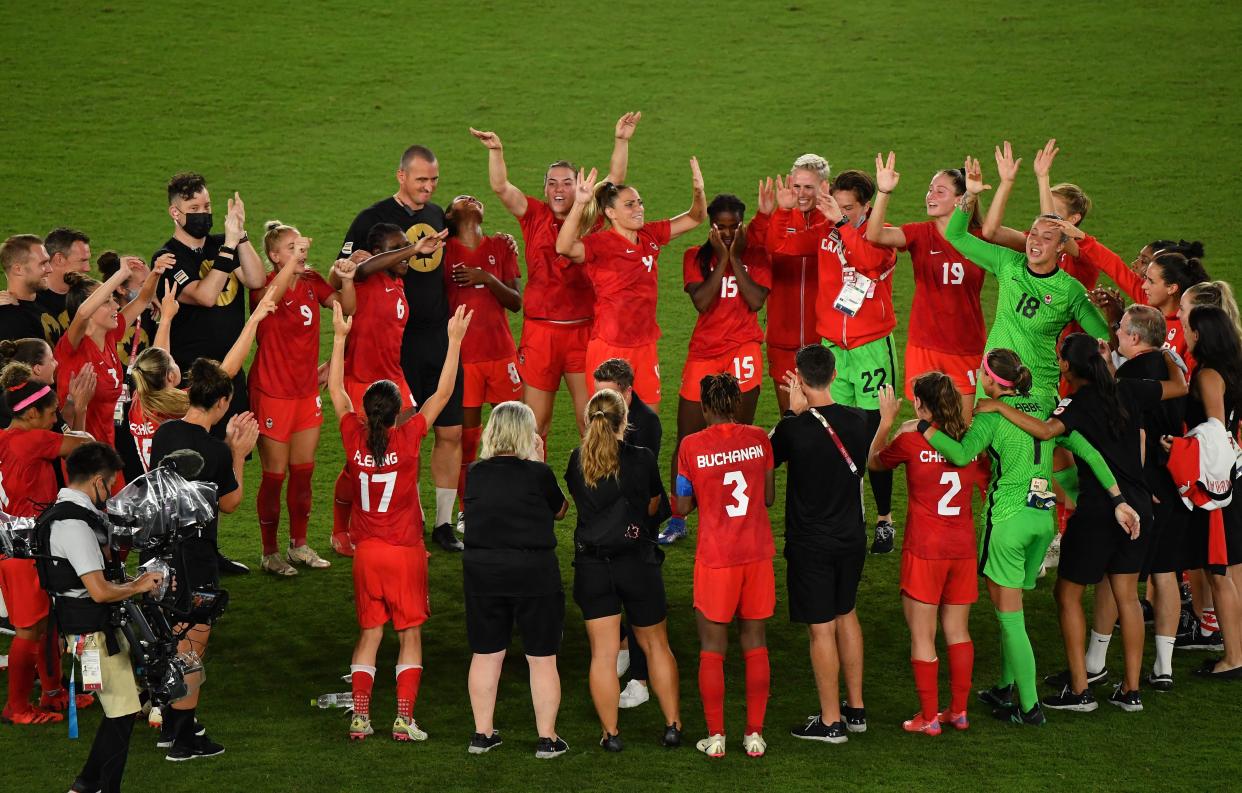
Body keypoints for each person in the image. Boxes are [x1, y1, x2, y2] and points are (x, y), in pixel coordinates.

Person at [920, 348, 1135, 726]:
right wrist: (1117, 498)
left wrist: (925, 428)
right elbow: (1087, 450)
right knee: (1013, 606)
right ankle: (1005, 686)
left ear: (991, 380)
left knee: (1009, 618)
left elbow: (961, 454)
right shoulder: (1046, 404)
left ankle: (1030, 707)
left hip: (1008, 523)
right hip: (1043, 522)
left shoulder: (989, 416)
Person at [978, 334, 1186, 712]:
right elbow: (1179, 386)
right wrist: (1167, 354)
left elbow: (1043, 432)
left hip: (1098, 509)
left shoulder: (1074, 403)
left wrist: (997, 406)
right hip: (1138, 503)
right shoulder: (1130, 389)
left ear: (1066, 367)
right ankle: (1131, 690)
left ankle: (1079, 690)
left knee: (1068, 595)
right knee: (1127, 597)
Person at [329, 301, 471, 742]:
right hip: (406, 552)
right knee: (410, 635)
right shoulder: (408, 438)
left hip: (367, 553)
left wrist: (338, 339)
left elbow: (335, 390)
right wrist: (454, 342)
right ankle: (404, 719)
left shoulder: (353, 436)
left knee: (369, 634)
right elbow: (442, 396)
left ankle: (360, 717)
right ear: (396, 414)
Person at [470, 113, 640, 441]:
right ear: (544, 189)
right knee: (535, 426)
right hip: (540, 335)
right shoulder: (533, 214)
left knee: (591, 424)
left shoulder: (590, 215)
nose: (559, 189)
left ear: (579, 187)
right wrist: (496, 151)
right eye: (552, 182)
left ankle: (594, 489)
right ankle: (535, 491)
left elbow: (616, 178)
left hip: (582, 333)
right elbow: (500, 187)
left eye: (566, 182)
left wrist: (621, 140)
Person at [337, 145, 466, 553]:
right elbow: (344, 273)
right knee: (390, 439)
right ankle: (393, 520)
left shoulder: (435, 214)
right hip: (395, 348)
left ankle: (442, 523)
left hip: (437, 336)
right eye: (421, 180)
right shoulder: (369, 220)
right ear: (401, 176)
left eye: (434, 181)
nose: (428, 188)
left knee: (450, 429)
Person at [768, 169, 901, 554]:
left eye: (848, 209)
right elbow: (784, 247)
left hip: (872, 348)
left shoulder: (883, 237)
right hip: (834, 350)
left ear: (867, 208)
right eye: (837, 206)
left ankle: (884, 518)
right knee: (837, 433)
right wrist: (784, 212)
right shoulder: (828, 233)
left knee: (875, 434)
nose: (839, 213)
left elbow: (866, 264)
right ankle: (853, 514)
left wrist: (842, 225)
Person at [149, 357, 260, 760]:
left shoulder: (164, 433)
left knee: (169, 640)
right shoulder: (214, 452)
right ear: (223, 402)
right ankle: (182, 742)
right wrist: (236, 452)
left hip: (158, 554)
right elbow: (230, 502)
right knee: (191, 647)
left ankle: (169, 722)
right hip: (194, 558)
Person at [39, 442, 164, 793]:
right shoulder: (73, 526)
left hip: (89, 629)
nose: (109, 493)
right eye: (108, 484)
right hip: (92, 631)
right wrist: (137, 585)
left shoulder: (65, 515)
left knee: (124, 707)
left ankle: (86, 784)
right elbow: (99, 591)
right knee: (122, 713)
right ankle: (100, 787)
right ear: (96, 480)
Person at [565, 388, 681, 752]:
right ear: (624, 420)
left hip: (593, 566)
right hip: (637, 563)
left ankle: (611, 734)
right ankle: (672, 725)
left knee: (602, 654)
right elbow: (654, 507)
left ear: (588, 420)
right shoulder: (642, 458)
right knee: (656, 646)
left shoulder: (575, 461)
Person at [945, 156, 1109, 411]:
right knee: (984, 448)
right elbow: (955, 235)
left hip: (1037, 388)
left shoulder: (1070, 288)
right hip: (991, 380)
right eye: (1033, 234)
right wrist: (970, 194)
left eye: (1046, 238)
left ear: (1061, 246)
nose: (1035, 242)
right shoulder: (1008, 263)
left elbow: (1104, 339)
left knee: (1029, 449)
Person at [868, 376, 979, 735]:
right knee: (958, 630)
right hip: (962, 549)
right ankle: (958, 712)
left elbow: (874, 463)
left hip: (925, 550)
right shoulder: (972, 440)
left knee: (922, 635)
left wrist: (886, 422)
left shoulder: (912, 439)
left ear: (920, 406)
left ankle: (929, 717)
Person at [772, 345, 871, 744]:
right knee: (846, 613)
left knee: (821, 630)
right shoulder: (860, 420)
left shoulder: (793, 430)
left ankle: (831, 723)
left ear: (798, 376)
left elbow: (770, 455)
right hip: (851, 538)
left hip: (811, 544)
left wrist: (794, 412)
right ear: (833, 375)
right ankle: (856, 709)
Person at [661, 193, 771, 547]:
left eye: (733, 227)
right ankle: (678, 515)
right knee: (687, 440)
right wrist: (724, 258)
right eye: (720, 227)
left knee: (739, 437)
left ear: (742, 223)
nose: (726, 233)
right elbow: (703, 301)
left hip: (744, 351)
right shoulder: (695, 256)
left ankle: (734, 509)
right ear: (710, 226)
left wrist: (733, 257)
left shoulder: (757, 255)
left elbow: (755, 301)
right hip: (705, 354)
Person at [674, 374, 775, 758]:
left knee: (713, 648)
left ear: (704, 408)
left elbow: (682, 507)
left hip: (716, 559)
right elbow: (766, 497)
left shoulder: (691, 445)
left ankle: (716, 737)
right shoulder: (759, 439)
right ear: (736, 405)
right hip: (756, 555)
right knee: (755, 643)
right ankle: (754, 735)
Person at [461, 401, 569, 759]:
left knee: (486, 654)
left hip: (482, 571)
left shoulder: (475, 473)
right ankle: (547, 739)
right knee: (541, 658)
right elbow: (560, 509)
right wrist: (538, 463)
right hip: (532, 571)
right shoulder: (537, 474)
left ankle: (482, 734)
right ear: (528, 434)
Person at [555, 159, 708, 408]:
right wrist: (580, 205)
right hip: (610, 347)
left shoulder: (649, 234)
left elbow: (695, 217)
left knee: (648, 424)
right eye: (629, 204)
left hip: (645, 346)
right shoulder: (600, 243)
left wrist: (699, 192)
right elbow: (563, 246)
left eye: (639, 202)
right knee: (607, 426)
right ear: (610, 212)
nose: (639, 208)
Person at [250, 223, 356, 576]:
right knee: (274, 476)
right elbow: (271, 300)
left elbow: (346, 308)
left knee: (303, 473)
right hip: (273, 394)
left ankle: (299, 544)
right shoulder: (263, 286)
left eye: (301, 245)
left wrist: (349, 280)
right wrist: (290, 266)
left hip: (306, 392)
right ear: (274, 256)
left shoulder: (311, 281)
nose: (301, 252)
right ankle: (270, 552)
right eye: (291, 247)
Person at [0, 363, 93, 725]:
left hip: (17, 542)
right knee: (30, 630)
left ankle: (52, 691)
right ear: (32, 413)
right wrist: (76, 423)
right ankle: (17, 707)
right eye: (53, 413)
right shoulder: (32, 438)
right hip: (24, 548)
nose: (57, 419)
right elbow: (84, 447)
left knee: (48, 620)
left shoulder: (5, 437)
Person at [865, 154, 987, 414]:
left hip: (966, 346)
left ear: (959, 199)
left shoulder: (982, 238)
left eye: (939, 191)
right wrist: (884, 192)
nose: (930, 195)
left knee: (965, 428)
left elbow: (1029, 247)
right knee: (927, 425)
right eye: (930, 190)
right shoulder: (920, 233)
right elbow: (874, 235)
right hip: (925, 345)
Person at [129, 289, 275, 473]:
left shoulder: (139, 398)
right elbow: (226, 371)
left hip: (154, 490)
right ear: (171, 377)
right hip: (183, 491)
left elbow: (159, 359)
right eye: (173, 363)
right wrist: (254, 319)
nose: (175, 362)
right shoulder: (181, 403)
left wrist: (166, 318)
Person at [443, 195, 523, 529]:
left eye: (473, 198)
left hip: (501, 353)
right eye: (461, 200)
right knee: (469, 438)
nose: (471, 199)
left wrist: (487, 277)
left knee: (513, 431)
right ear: (450, 215)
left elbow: (516, 302)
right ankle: (468, 508)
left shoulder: (501, 246)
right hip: (465, 360)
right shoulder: (441, 251)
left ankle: (513, 502)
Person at [1172, 305, 1242, 679]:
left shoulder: (1209, 374)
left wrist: (1181, 449)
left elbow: (1215, 431)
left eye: (1187, 327)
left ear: (1201, 335)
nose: (1183, 331)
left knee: (1219, 572)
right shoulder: (1231, 369)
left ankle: (1233, 658)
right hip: (1233, 477)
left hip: (1217, 486)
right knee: (1229, 569)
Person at [591, 358, 660, 707]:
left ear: (628, 393)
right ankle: (621, 647)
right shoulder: (603, 417)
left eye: (608, 395)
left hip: (636, 530)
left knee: (640, 610)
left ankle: (640, 679)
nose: (599, 406)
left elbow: (643, 489)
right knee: (612, 593)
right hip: (612, 526)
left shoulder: (646, 425)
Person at [55, 262, 166, 453]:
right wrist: (121, 273)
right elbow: (82, 313)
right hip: (81, 456)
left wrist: (156, 273)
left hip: (108, 449)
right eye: (107, 301)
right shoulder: (71, 348)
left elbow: (142, 299)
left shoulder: (109, 336)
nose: (116, 305)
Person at [763, 155, 829, 412]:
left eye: (809, 187)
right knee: (790, 416)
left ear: (823, 187)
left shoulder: (831, 221)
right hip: (782, 337)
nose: (801, 194)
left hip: (823, 338)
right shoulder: (779, 219)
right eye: (797, 186)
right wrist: (781, 212)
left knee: (825, 418)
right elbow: (771, 246)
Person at [0, 337, 94, 433]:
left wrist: (71, 400)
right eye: (52, 359)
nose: (56, 363)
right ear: (37, 369)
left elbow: (61, 429)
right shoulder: (29, 405)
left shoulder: (40, 395)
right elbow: (75, 446)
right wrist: (81, 409)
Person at [0, 235, 60, 345]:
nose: (50, 269)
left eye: (48, 262)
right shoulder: (10, 320)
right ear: (18, 269)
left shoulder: (45, 296)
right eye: (42, 263)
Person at [37, 227, 92, 341]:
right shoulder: (31, 300)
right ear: (59, 259)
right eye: (82, 261)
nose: (88, 268)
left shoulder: (88, 295)